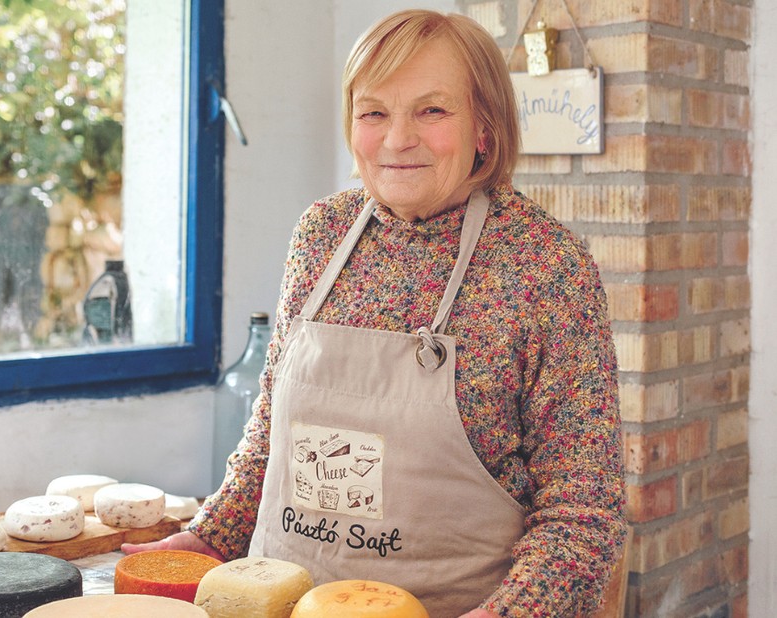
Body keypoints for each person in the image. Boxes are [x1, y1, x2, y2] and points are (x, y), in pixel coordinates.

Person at [123, 10, 626, 617]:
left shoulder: (546, 265)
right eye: (374, 113)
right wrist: (211, 536)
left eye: (432, 110)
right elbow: (273, 431)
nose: (396, 139)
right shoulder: (321, 234)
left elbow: (582, 512)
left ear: (485, 128)